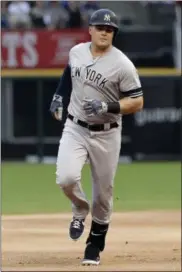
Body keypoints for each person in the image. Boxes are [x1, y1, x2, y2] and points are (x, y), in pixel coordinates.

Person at [50, 8, 144, 266]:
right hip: (75, 127)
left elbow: (137, 101)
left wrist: (108, 107)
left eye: (110, 29)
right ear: (90, 29)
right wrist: (59, 95)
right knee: (66, 177)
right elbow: (70, 72)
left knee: (103, 194)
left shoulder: (122, 64)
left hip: (107, 133)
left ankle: (94, 245)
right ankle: (80, 208)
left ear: (114, 34)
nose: (105, 32)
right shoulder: (77, 52)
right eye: (100, 27)